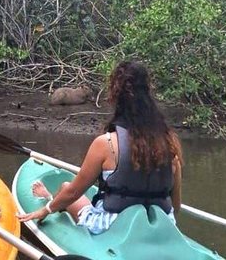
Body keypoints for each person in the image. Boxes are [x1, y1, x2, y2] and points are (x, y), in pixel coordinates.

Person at [18, 60, 183, 234]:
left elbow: (73, 193)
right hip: (162, 225)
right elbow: (176, 205)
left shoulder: (106, 144)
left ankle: (48, 199)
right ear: (149, 94)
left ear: (116, 96)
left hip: (113, 225)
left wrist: (45, 210)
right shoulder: (170, 143)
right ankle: (50, 198)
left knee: (66, 187)